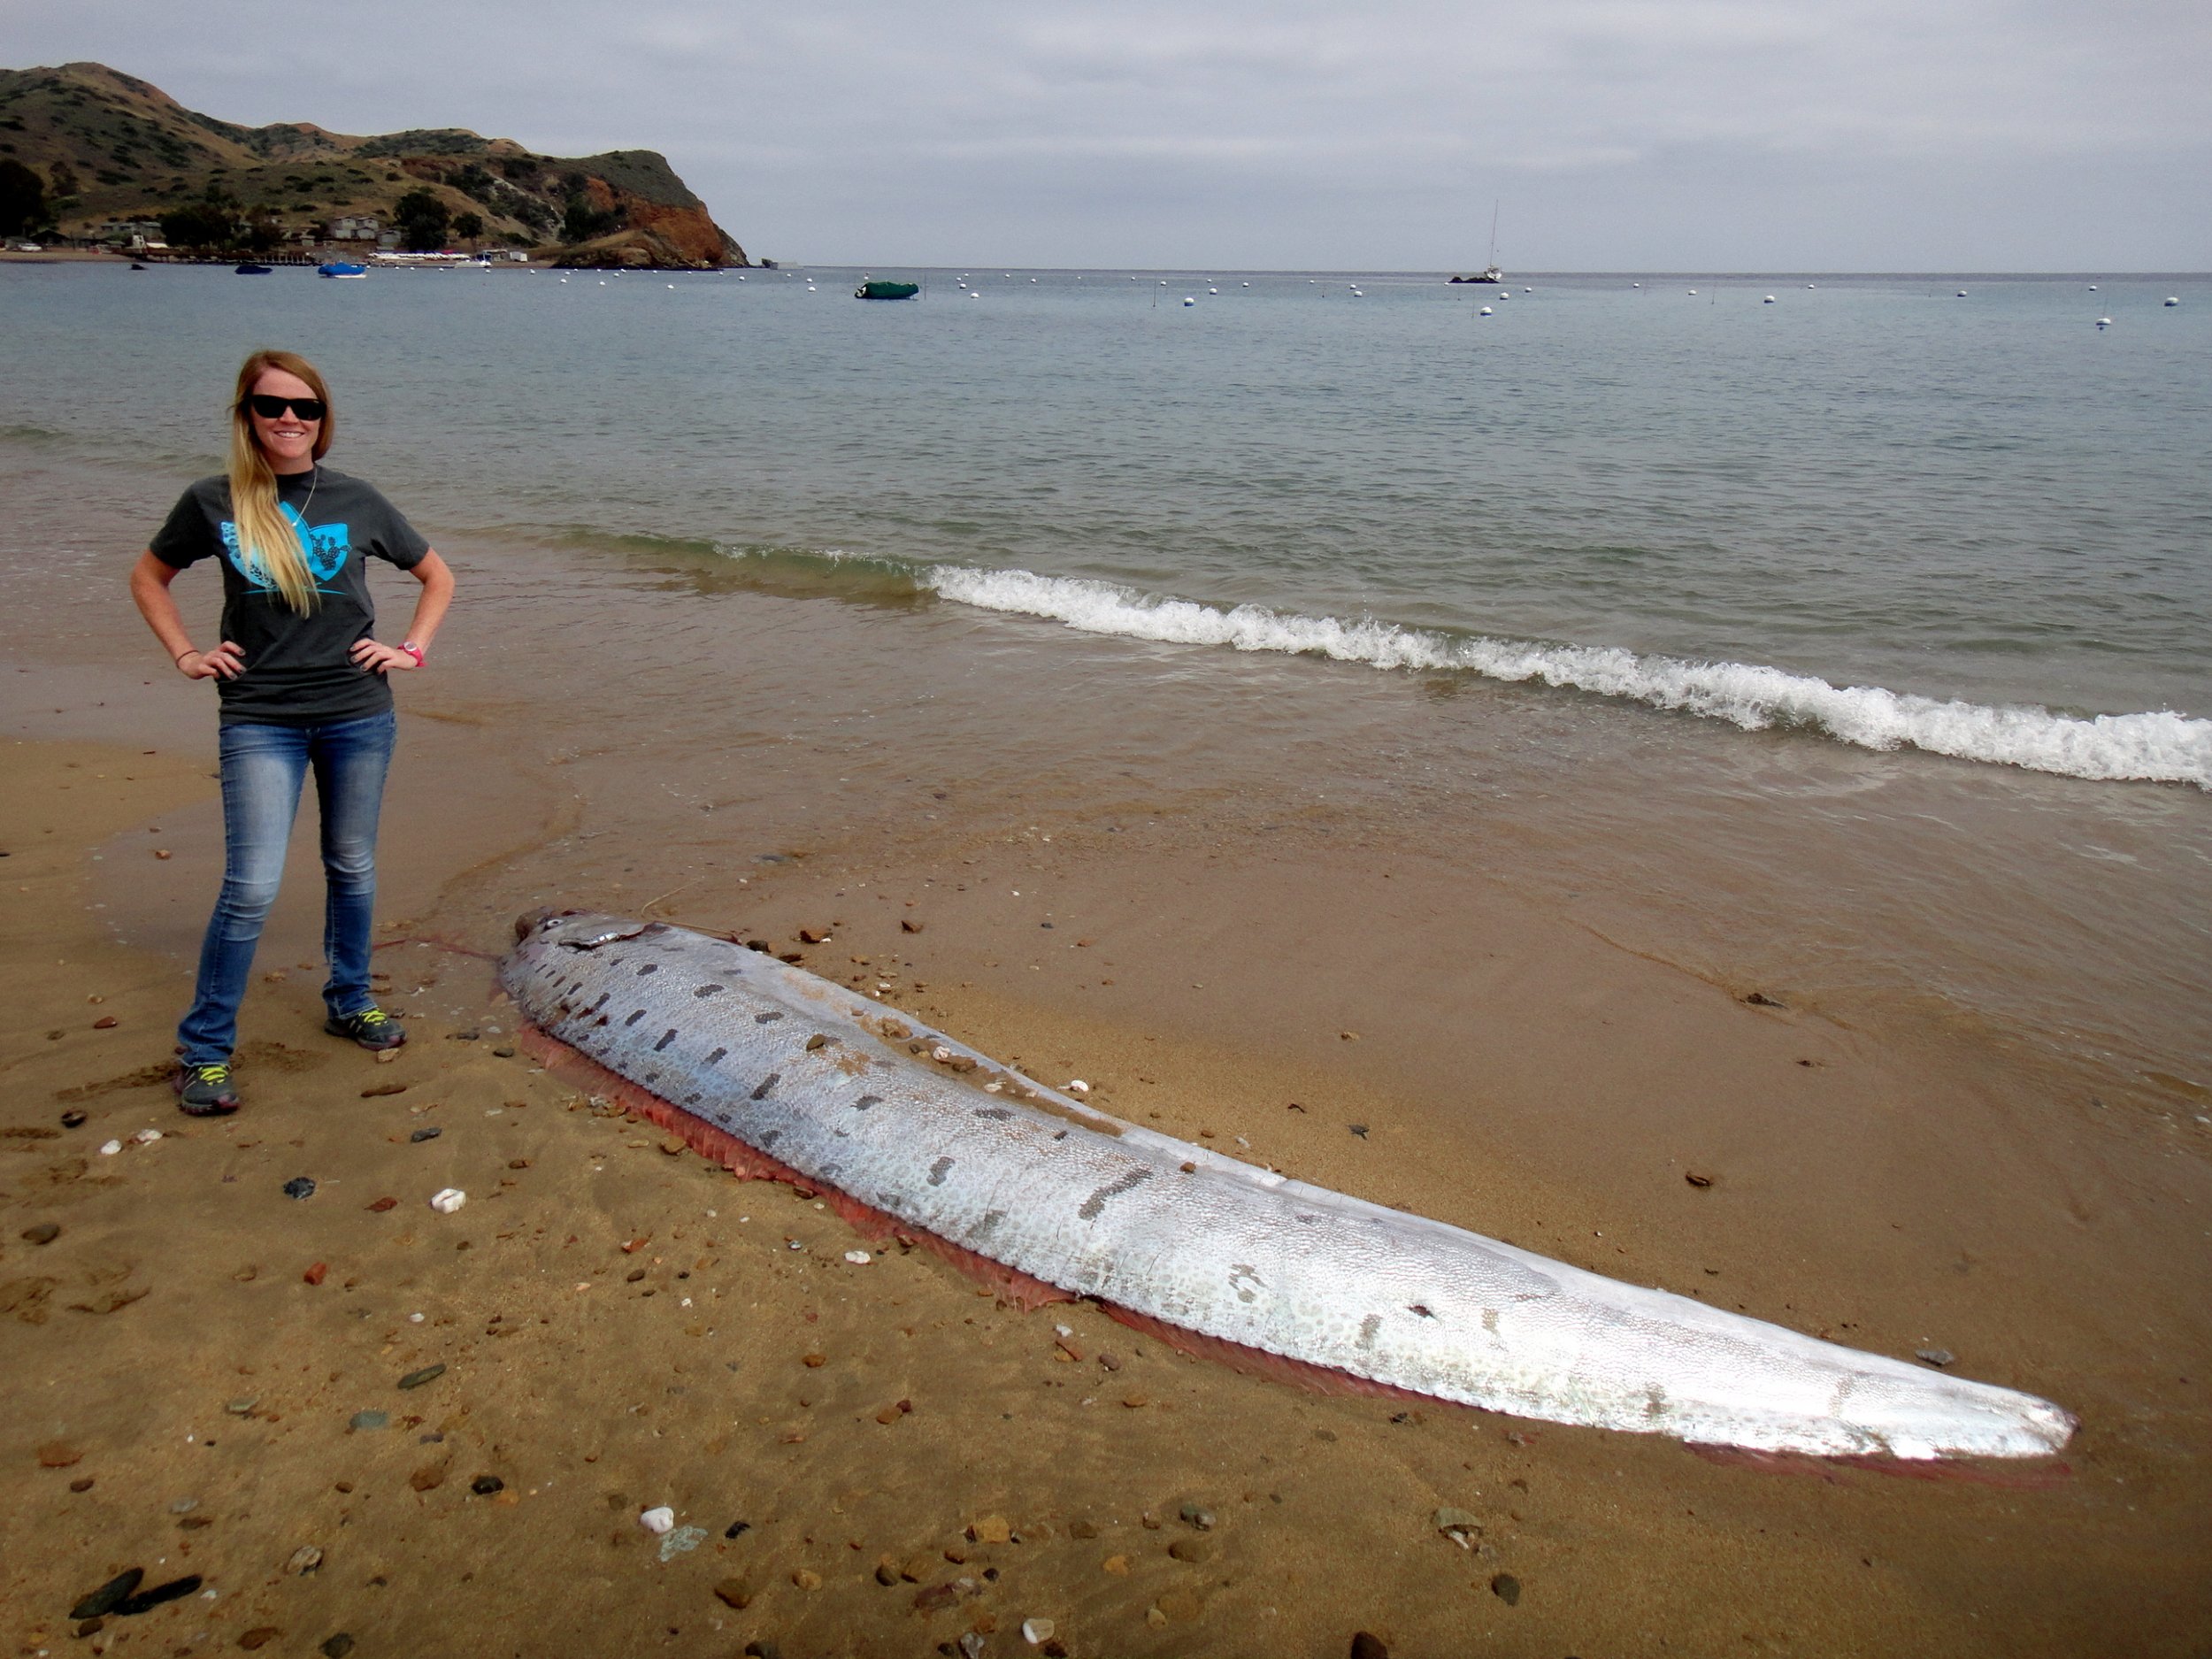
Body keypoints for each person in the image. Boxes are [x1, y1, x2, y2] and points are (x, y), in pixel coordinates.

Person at [129, 349, 455, 1116]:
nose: (289, 419)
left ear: (322, 419)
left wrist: (410, 649)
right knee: (252, 886)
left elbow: (437, 576)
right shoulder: (214, 501)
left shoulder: (357, 497)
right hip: (260, 717)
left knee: (351, 864)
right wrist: (185, 652)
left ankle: (350, 1000)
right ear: (247, 415)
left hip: (357, 711)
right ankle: (203, 1052)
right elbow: (149, 576)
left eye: (305, 408)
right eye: (272, 406)